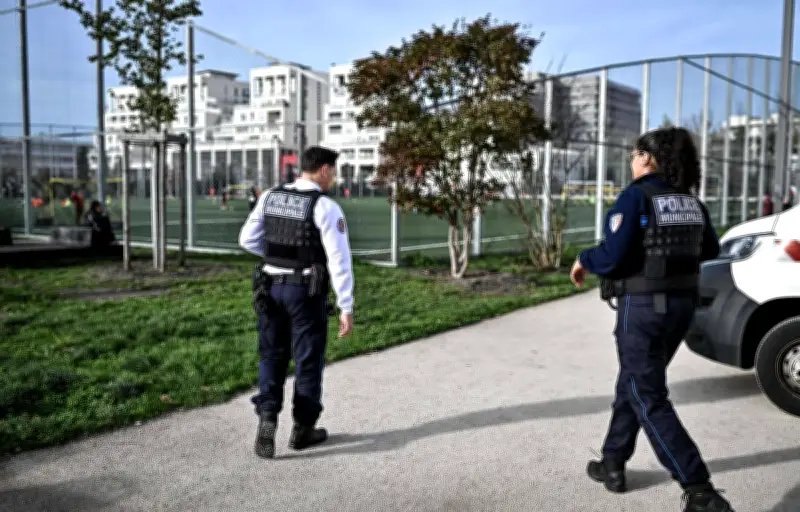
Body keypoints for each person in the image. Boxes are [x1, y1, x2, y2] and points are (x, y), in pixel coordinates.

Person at [569, 127, 733, 512]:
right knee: (635, 381)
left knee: (647, 394)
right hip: (681, 307)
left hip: (643, 309)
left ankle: (699, 490)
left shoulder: (635, 197)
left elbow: (612, 257)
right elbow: (709, 247)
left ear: (647, 157)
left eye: (633, 154)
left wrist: (584, 259)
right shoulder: (690, 202)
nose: (631, 160)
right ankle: (613, 462)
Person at [238, 145, 355, 459]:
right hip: (305, 292)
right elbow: (339, 260)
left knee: (271, 356)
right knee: (307, 360)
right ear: (325, 170)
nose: (334, 177)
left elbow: (246, 239)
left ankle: (266, 418)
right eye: (334, 171)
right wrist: (346, 305)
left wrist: (278, 257)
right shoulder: (325, 207)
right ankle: (302, 429)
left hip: (269, 290)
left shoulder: (269, 196)